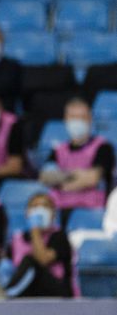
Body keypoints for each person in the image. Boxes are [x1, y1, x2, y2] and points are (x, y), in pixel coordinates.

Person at [40, 97, 114, 228]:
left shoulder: (103, 147)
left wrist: (61, 181)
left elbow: (92, 179)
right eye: (73, 117)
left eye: (82, 117)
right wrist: (77, 175)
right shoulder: (58, 150)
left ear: (90, 119)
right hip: (59, 212)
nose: (77, 121)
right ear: (65, 119)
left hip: (90, 214)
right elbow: (45, 177)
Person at [3, 194, 74, 298]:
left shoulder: (59, 236)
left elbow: (43, 259)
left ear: (53, 214)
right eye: (35, 206)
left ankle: (6, 294)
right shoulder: (16, 239)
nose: (39, 211)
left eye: (45, 206)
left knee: (30, 261)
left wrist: (35, 230)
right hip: (28, 291)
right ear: (27, 213)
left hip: (57, 292)